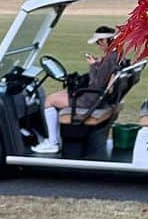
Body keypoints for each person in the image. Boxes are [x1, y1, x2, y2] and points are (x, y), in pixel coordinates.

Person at [33, 25, 123, 154]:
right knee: (60, 95)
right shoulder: (116, 55)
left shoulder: (110, 59)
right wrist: (98, 63)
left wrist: (92, 66)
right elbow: (104, 77)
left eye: (99, 42)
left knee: (49, 100)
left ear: (105, 41)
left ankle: (52, 143)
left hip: (91, 99)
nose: (98, 46)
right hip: (100, 98)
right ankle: (57, 139)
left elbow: (96, 83)